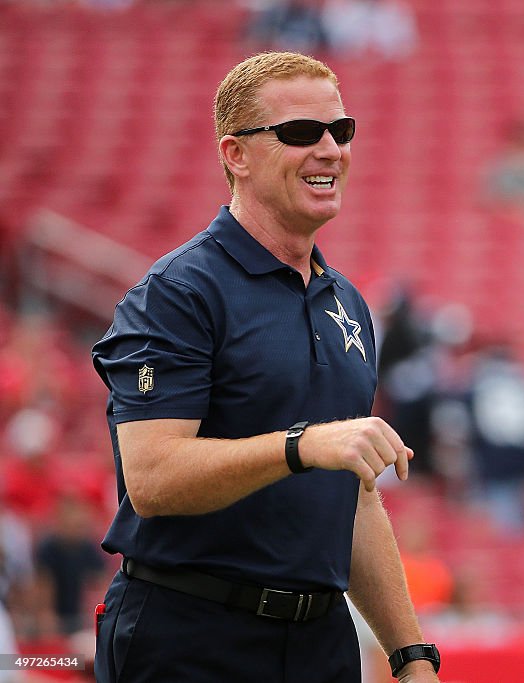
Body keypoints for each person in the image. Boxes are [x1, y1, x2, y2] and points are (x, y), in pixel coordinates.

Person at [91, 52, 439, 683]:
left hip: (320, 641)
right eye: (302, 133)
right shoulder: (177, 293)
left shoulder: (349, 302)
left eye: (341, 131)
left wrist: (410, 654)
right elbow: (152, 477)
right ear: (236, 154)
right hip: (191, 634)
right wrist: (301, 446)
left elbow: (353, 496)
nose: (330, 149)